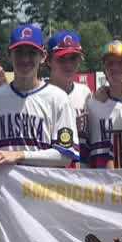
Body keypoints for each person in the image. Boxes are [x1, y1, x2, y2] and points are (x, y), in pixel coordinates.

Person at [0, 24, 79, 168]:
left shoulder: (58, 98)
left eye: (32, 52)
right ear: (9, 55)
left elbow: (66, 155)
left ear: (43, 56)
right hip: (5, 189)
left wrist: (20, 155)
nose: (25, 59)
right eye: (19, 52)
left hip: (42, 188)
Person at [85, 40, 122, 168]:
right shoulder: (92, 105)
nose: (116, 67)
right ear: (104, 68)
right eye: (110, 63)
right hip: (102, 183)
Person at [47, 30, 92, 164]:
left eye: (73, 58)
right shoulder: (41, 95)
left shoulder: (85, 93)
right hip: (52, 174)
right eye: (61, 59)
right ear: (48, 60)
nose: (68, 65)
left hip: (82, 174)